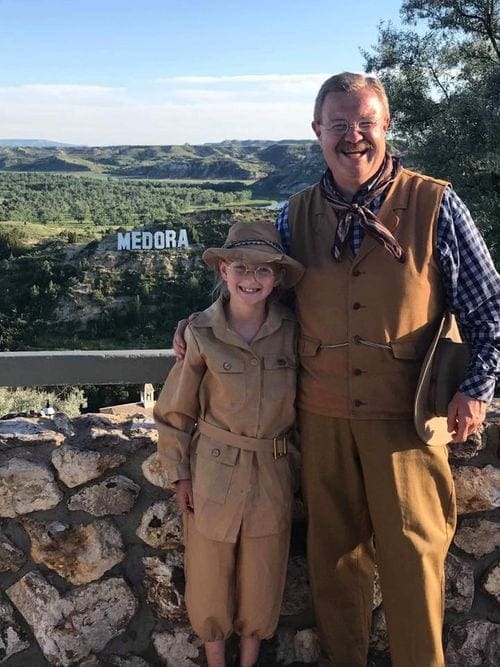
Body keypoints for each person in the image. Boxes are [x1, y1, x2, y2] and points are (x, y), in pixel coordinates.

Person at [174, 73, 499, 667]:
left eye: (364, 123)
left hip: (407, 422)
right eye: (339, 125)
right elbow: (251, 282)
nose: (353, 137)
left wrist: (476, 389)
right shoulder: (292, 215)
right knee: (333, 565)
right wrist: (200, 322)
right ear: (317, 132)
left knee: (415, 563)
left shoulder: (437, 204)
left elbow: (489, 307)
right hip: (319, 420)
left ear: (386, 126)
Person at [154, 221, 304, 667]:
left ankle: (250, 659)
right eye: (240, 267)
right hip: (212, 471)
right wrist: (179, 473)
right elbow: (175, 411)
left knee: (264, 569)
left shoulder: (295, 332)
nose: (251, 279)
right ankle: (216, 659)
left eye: (263, 271)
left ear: (277, 279)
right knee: (209, 568)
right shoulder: (200, 333)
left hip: (273, 470)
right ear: (223, 270)